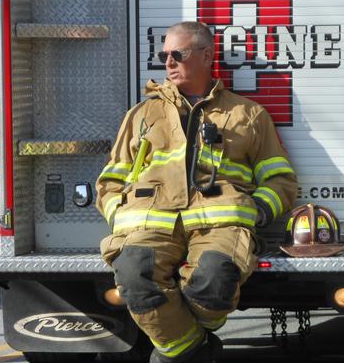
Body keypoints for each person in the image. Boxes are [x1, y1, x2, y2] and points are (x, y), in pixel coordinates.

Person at [95, 21, 298, 363]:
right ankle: (191, 351)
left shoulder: (247, 114)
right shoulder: (141, 116)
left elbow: (281, 179)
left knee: (214, 283)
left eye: (178, 53)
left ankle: (187, 340)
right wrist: (120, 213)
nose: (168, 62)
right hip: (149, 228)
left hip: (220, 227)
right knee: (133, 276)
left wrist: (257, 210)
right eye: (164, 55)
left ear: (207, 56)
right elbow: (110, 180)